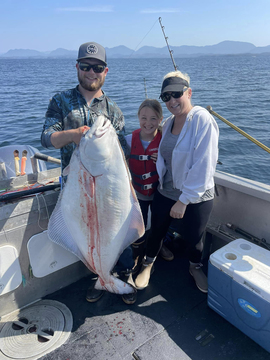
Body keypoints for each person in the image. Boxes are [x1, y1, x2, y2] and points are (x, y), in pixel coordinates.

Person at [41, 41, 136, 305]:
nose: (91, 72)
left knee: (118, 231)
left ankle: (122, 274)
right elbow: (46, 138)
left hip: (110, 188)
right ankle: (100, 276)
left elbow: (124, 151)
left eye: (98, 67)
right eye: (86, 66)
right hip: (77, 189)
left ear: (106, 71)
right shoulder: (60, 101)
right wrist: (72, 136)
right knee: (88, 235)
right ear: (77, 67)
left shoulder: (114, 110)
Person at [134, 70, 219, 293]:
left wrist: (184, 201)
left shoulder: (202, 119)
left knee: (194, 238)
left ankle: (195, 267)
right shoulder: (169, 121)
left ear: (188, 92)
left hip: (196, 195)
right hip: (167, 190)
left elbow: (204, 164)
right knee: (157, 230)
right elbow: (169, 151)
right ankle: (148, 264)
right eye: (166, 97)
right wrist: (158, 158)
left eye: (176, 94)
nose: (172, 100)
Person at [125, 99, 164, 273]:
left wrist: (163, 161)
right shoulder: (128, 140)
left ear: (161, 120)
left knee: (158, 226)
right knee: (136, 226)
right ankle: (136, 256)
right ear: (138, 118)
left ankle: (157, 249)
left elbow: (176, 165)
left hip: (159, 193)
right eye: (144, 118)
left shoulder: (165, 141)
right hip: (137, 193)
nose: (148, 123)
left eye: (153, 118)